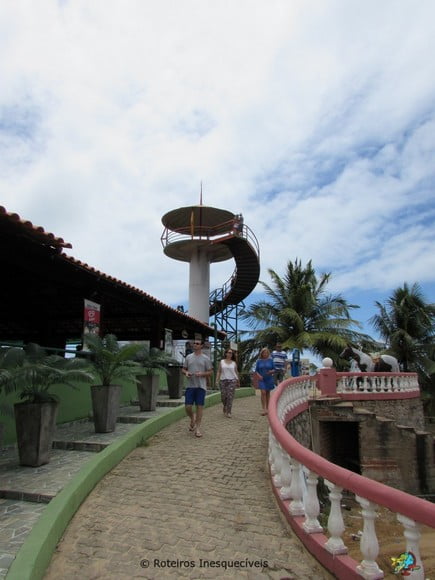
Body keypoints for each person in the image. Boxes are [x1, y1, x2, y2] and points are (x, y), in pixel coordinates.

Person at [182, 339, 213, 437]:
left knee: (199, 407)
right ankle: (192, 418)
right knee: (188, 407)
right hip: (190, 386)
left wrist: (202, 373)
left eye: (197, 343)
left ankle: (198, 429)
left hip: (201, 386)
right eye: (194, 343)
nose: (195, 345)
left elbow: (210, 371)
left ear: (201, 346)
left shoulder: (205, 358)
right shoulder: (188, 357)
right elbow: (183, 369)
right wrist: (186, 373)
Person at [215, 348, 239, 418]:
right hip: (223, 380)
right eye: (228, 352)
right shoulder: (222, 362)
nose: (230, 354)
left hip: (232, 381)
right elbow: (219, 371)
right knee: (223, 396)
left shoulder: (234, 363)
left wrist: (238, 381)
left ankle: (229, 411)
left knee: (230, 397)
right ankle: (225, 405)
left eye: (231, 353)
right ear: (225, 353)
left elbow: (236, 372)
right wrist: (217, 380)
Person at [254, 347, 275, 415]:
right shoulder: (259, 361)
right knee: (263, 392)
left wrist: (271, 371)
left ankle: (267, 408)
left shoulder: (271, 360)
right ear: (261, 353)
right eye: (263, 353)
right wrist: (259, 376)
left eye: (266, 353)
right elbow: (256, 371)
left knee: (267, 393)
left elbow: (274, 369)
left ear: (268, 353)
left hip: (269, 379)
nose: (265, 354)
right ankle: (263, 409)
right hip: (261, 379)